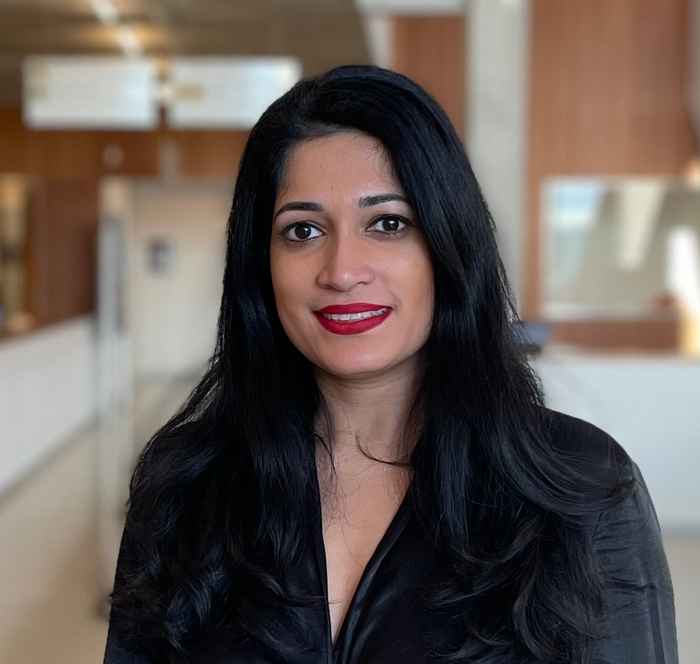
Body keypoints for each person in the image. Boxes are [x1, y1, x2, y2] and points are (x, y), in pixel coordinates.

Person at [103, 65, 678, 663]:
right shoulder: (188, 486)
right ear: (260, 264)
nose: (342, 270)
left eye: (388, 223)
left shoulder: (580, 490)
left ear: (448, 245)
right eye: (301, 230)